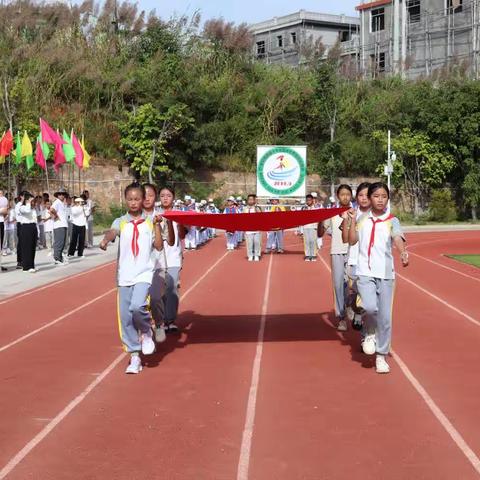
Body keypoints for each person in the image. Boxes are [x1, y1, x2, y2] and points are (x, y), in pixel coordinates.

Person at [100, 183, 164, 375]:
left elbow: (159, 247)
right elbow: (113, 232)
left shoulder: (150, 221)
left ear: (143, 200)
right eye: (130, 199)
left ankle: (146, 331)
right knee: (126, 318)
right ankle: (134, 355)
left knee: (137, 307)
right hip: (124, 275)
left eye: (138, 199)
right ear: (125, 200)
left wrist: (158, 226)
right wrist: (105, 240)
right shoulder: (121, 221)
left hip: (144, 273)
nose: (134, 202)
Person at [347, 182, 409, 374]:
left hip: (385, 274)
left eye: (384, 196)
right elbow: (351, 240)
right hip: (365, 271)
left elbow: (397, 237)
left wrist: (403, 252)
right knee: (369, 307)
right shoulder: (361, 218)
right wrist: (350, 222)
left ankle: (381, 356)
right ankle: (370, 332)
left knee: (385, 317)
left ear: (387, 199)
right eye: (376, 196)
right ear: (370, 198)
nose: (380, 199)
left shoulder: (392, 220)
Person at [318, 184, 353, 332]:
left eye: (348, 194)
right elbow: (320, 233)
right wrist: (320, 220)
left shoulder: (356, 212)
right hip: (337, 251)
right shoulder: (331, 213)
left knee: (354, 283)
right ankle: (341, 318)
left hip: (353, 252)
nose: (345, 197)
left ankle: (351, 304)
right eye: (342, 194)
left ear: (351, 196)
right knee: (338, 285)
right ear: (338, 196)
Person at [150, 186, 183, 336]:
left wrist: (180, 221)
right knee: (159, 292)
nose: (165, 198)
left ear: (173, 198)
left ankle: (171, 320)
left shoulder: (179, 214)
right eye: (162, 195)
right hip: (158, 259)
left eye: (168, 196)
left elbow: (182, 235)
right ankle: (160, 320)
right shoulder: (154, 215)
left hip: (174, 258)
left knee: (172, 288)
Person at [342, 182, 371, 331]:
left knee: (368, 299)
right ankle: (351, 304)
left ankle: (363, 327)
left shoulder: (378, 214)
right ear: (356, 197)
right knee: (357, 297)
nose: (364, 198)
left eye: (367, 195)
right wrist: (349, 219)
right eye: (361, 195)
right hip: (354, 261)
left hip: (370, 263)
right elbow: (346, 239)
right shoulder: (352, 213)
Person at [18, 192, 38, 273]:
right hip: (26, 228)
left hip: (33, 227)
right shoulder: (22, 207)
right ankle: (26, 267)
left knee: (32, 247)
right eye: (31, 200)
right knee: (27, 247)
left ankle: (31, 265)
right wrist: (28, 203)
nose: (33, 202)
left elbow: (35, 220)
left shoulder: (33, 209)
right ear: (27, 200)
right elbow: (27, 211)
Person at [50, 188, 69, 265]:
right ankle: (57, 259)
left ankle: (60, 258)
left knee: (63, 242)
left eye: (63, 194)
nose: (61, 195)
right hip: (59, 225)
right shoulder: (57, 202)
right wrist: (56, 215)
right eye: (60, 194)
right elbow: (51, 209)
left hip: (63, 225)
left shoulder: (62, 203)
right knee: (59, 242)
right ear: (58, 195)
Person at [244, 194, 262, 262]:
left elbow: (261, 217)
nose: (250, 201)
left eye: (252, 199)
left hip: (256, 229)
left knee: (257, 242)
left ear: (254, 200)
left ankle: (257, 255)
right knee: (249, 243)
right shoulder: (245, 209)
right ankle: (250, 255)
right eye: (249, 200)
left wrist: (256, 208)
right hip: (248, 229)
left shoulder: (257, 208)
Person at [303, 194, 318, 262]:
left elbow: (318, 217)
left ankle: (313, 255)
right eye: (307, 200)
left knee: (313, 241)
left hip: (313, 226)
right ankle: (307, 255)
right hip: (306, 226)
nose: (308, 201)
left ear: (312, 200)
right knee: (307, 241)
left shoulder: (316, 208)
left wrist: (317, 226)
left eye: (310, 200)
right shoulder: (304, 208)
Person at [14, 192, 25, 269]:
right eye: (25, 196)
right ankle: (19, 261)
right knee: (21, 243)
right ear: (21, 196)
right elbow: (20, 214)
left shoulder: (26, 205)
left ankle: (25, 260)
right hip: (20, 225)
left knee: (26, 243)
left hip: (26, 225)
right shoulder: (18, 205)